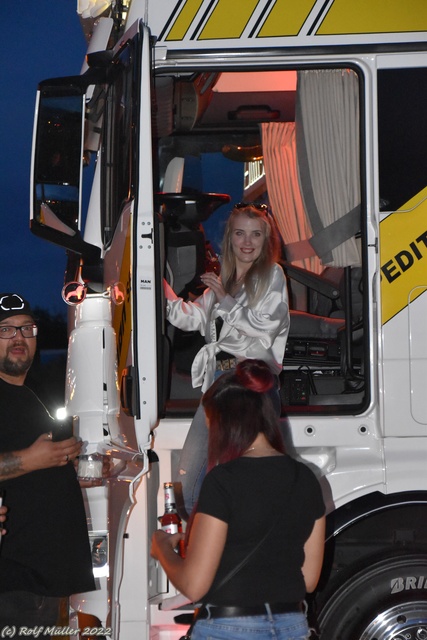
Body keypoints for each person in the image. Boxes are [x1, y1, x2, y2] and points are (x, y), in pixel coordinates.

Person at [151, 359, 326, 640]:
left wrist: (161, 549)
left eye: (212, 427)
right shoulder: (306, 479)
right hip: (291, 627)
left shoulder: (223, 481)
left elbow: (194, 586)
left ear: (227, 424)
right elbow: (308, 579)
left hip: (229, 629)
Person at [165, 203, 290, 517]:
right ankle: (204, 548)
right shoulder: (226, 280)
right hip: (217, 389)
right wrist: (153, 283)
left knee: (242, 485)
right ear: (230, 239)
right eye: (240, 233)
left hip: (249, 388)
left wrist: (224, 299)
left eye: (255, 234)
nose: (247, 242)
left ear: (266, 240)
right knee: (187, 483)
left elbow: (264, 330)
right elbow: (188, 317)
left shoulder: (272, 275)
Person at [0, 293, 95, 628]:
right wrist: (28, 459)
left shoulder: (33, 391)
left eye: (26, 329)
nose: (18, 339)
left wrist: (78, 467)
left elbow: (41, 465)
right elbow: (29, 461)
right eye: (6, 330)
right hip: (15, 578)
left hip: (46, 579)